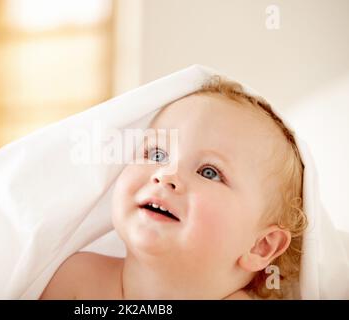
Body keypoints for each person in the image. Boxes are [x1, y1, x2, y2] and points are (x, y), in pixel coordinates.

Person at [40, 76, 307, 300]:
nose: (165, 176)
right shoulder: (79, 281)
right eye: (157, 154)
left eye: (209, 172)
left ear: (261, 246)